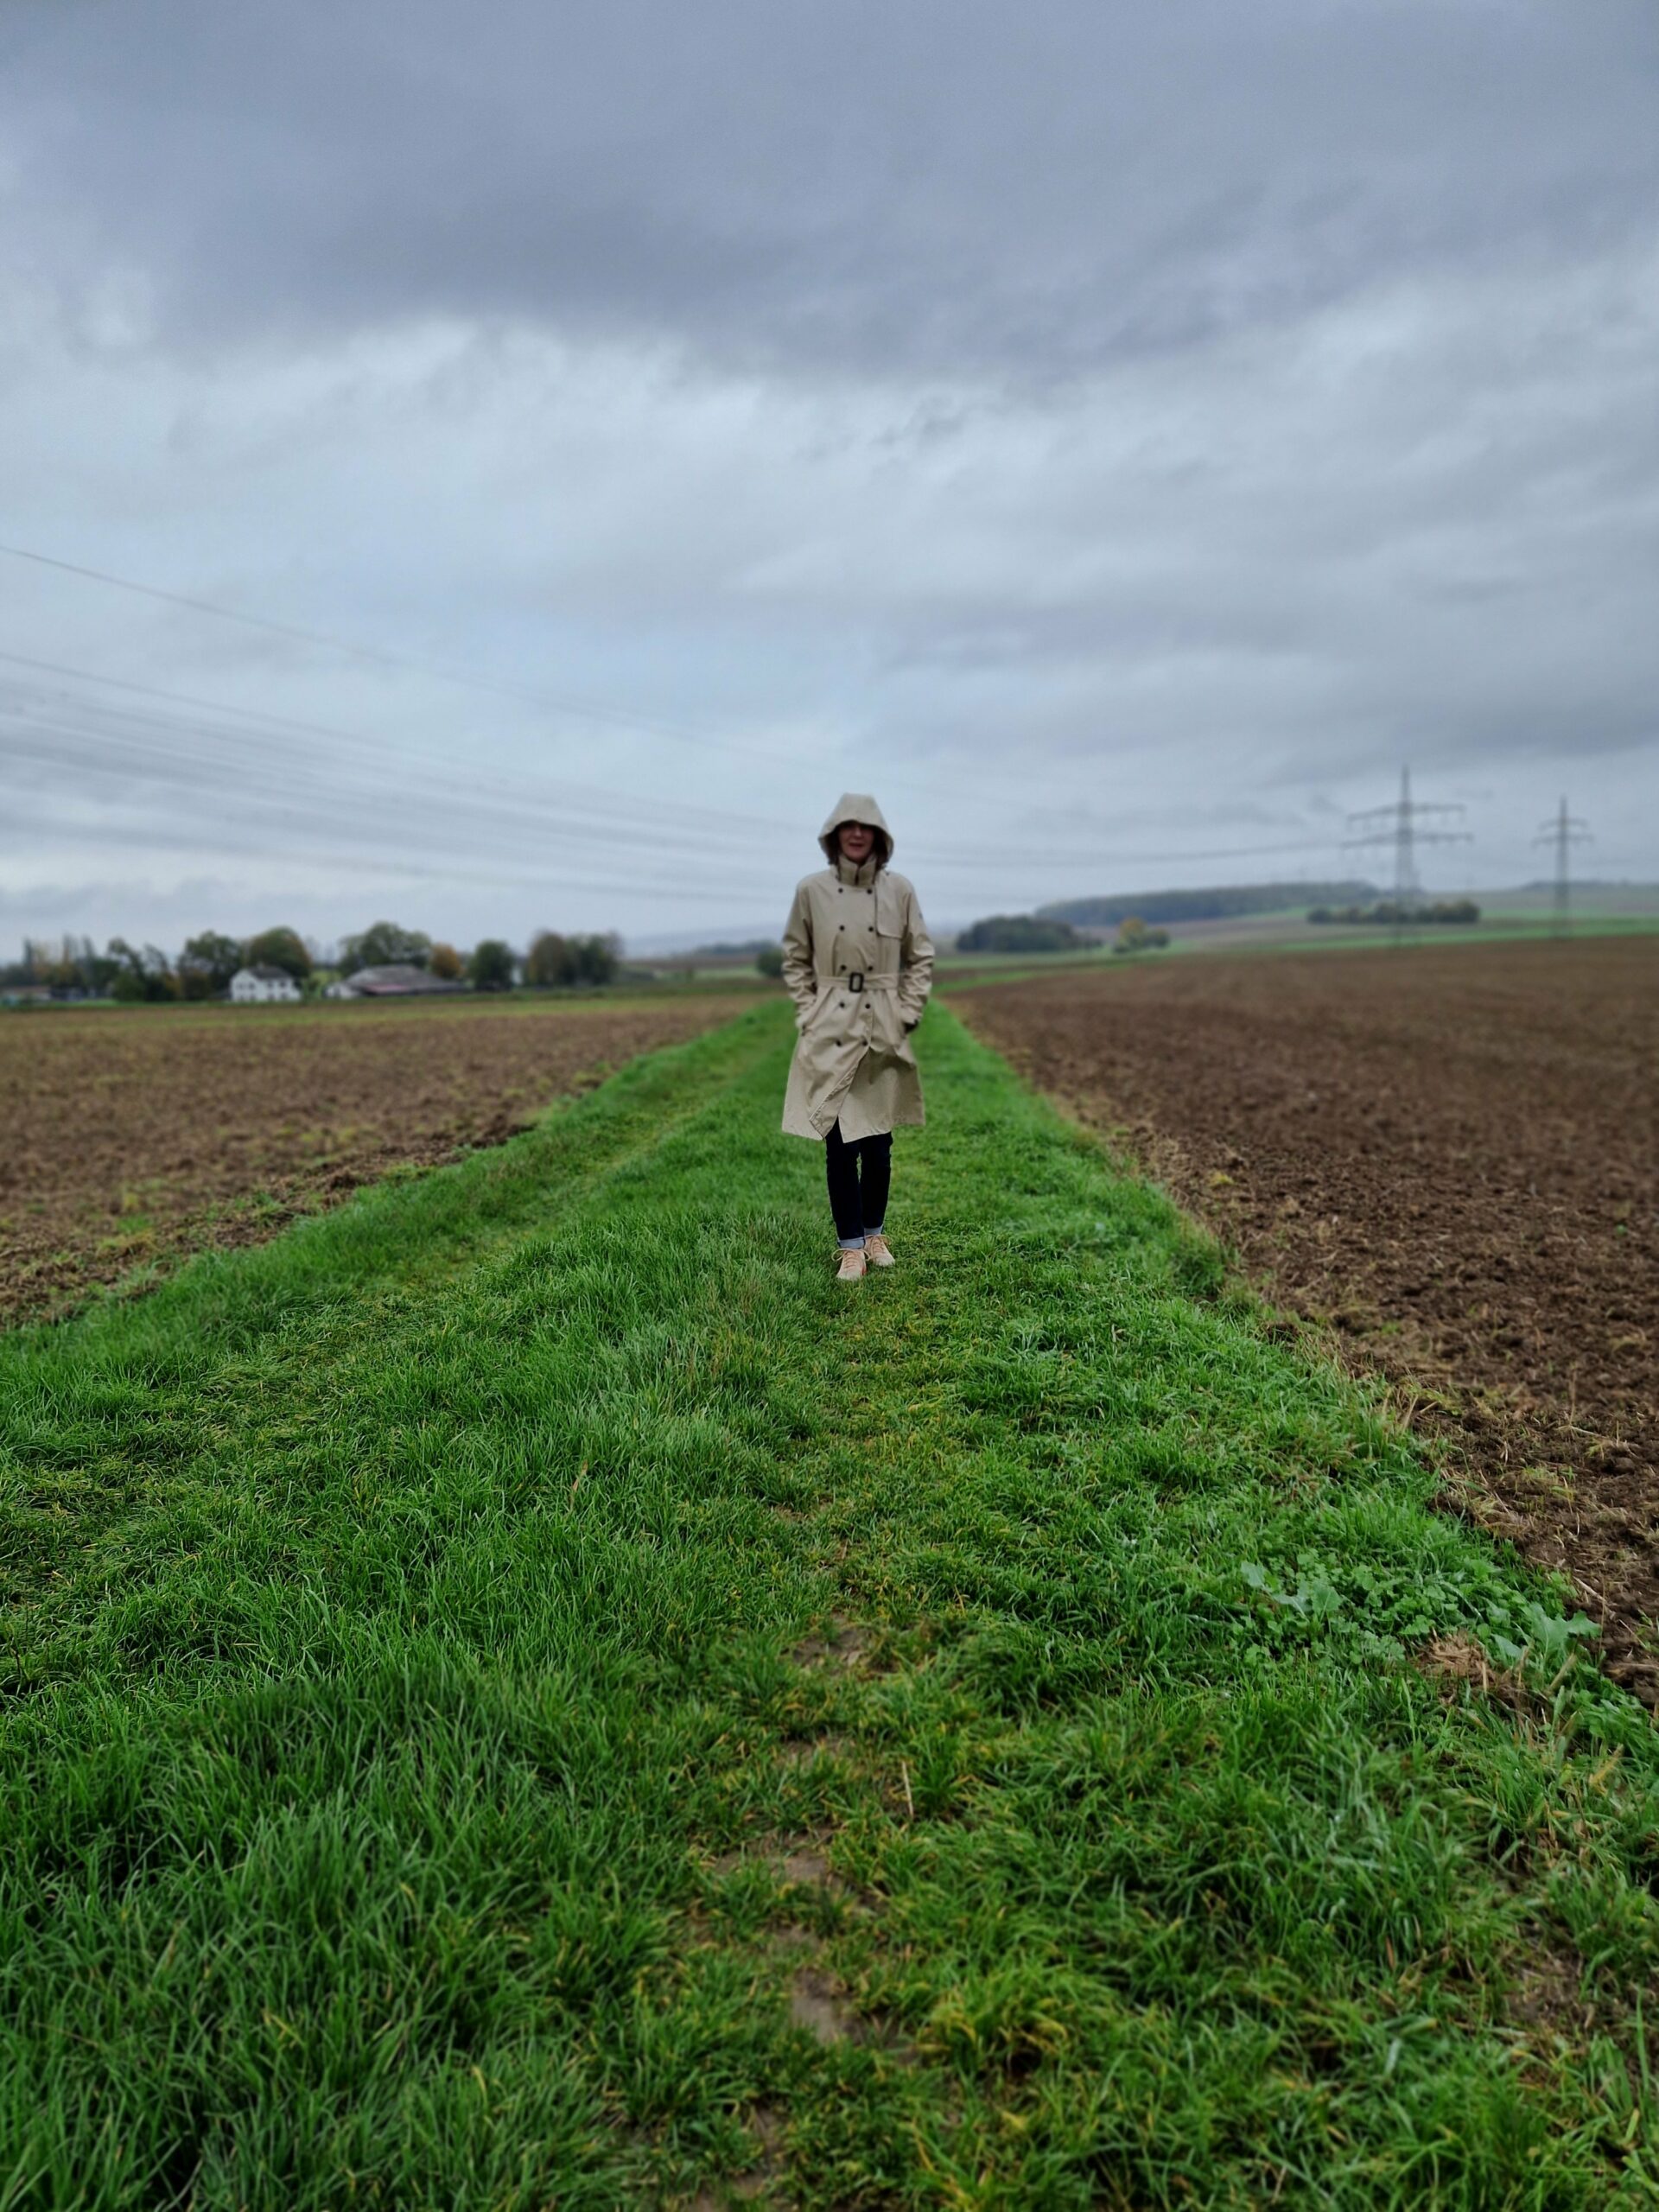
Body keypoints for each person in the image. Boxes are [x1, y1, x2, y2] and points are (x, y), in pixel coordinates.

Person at [780, 793, 935, 1280]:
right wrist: (810, 1012)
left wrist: (906, 1013)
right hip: (831, 1024)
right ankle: (850, 1247)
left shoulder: (901, 890)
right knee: (840, 1140)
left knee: (879, 1138)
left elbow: (921, 955)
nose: (856, 834)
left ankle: (873, 1233)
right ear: (833, 836)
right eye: (847, 827)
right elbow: (795, 957)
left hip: (883, 1022)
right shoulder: (811, 890)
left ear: (879, 836)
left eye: (865, 827)